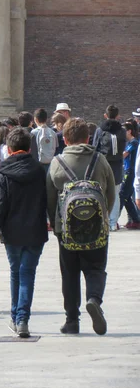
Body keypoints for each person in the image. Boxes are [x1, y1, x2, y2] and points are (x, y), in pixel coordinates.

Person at [47, 118, 116, 335]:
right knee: (95, 267)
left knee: (70, 273)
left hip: (66, 230)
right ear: (88, 138)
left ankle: (72, 321)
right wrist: (102, 216)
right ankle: (94, 299)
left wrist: (56, 224)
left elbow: (50, 199)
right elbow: (111, 194)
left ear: (65, 139)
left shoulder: (57, 162)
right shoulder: (100, 160)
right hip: (96, 226)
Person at [0, 127, 48, 338]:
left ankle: (17, 318)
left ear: (9, 149)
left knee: (16, 272)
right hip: (35, 230)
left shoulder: (2, 172)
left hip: (11, 231)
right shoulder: (40, 170)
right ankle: (21, 318)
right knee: (27, 273)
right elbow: (48, 199)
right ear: (29, 147)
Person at [93, 105, 127, 231]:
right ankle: (113, 223)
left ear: (105, 115)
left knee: (101, 192)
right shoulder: (122, 130)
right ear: (118, 116)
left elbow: (95, 147)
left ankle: (103, 221)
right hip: (117, 165)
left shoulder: (100, 130)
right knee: (116, 193)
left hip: (102, 164)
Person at [120, 121, 140, 228]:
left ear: (129, 131)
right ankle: (135, 219)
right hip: (127, 170)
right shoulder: (129, 142)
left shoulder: (134, 142)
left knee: (122, 195)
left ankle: (113, 220)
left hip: (131, 171)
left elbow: (124, 155)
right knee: (127, 197)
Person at [30, 108, 58, 174]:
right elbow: (56, 148)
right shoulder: (53, 133)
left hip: (37, 165)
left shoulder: (33, 133)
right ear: (46, 119)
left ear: (35, 119)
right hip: (51, 164)